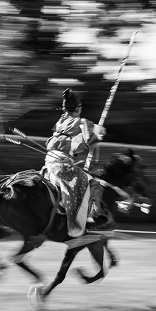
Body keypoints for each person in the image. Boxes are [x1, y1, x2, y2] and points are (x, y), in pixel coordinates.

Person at [43, 88, 110, 237]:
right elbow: (89, 141)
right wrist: (99, 134)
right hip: (61, 164)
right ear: (78, 109)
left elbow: (74, 145)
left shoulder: (60, 122)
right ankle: (81, 223)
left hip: (49, 161)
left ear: (65, 109)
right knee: (94, 183)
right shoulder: (82, 122)